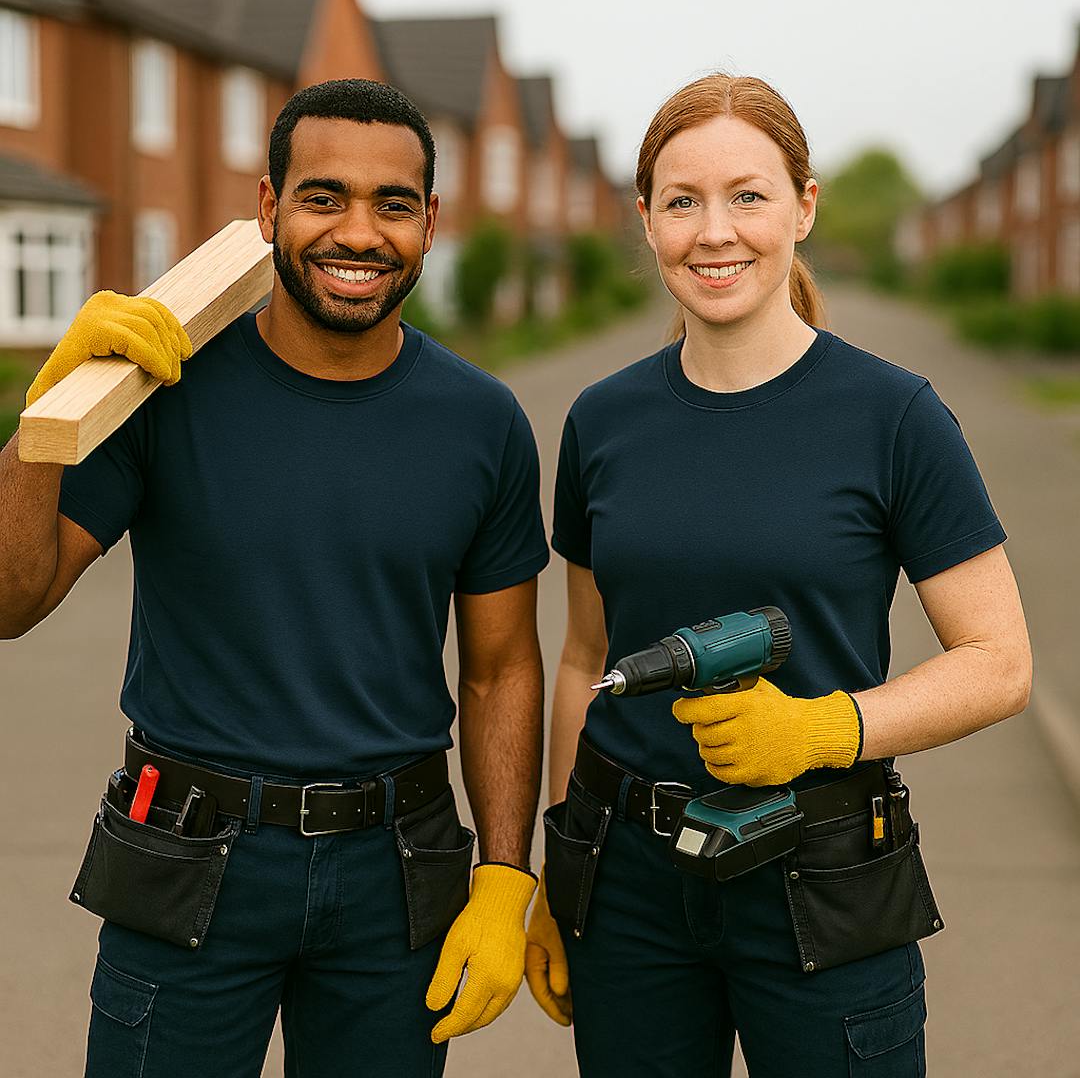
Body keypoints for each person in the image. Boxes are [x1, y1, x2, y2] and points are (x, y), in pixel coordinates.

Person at [0, 79, 549, 1077]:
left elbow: (502, 668)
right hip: (187, 858)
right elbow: (9, 602)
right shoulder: (162, 393)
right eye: (323, 196)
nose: (358, 231)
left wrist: (508, 875)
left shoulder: (485, 424)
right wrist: (45, 417)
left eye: (393, 204)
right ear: (267, 208)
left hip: (398, 869)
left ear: (430, 224)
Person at [523, 74, 1031, 1077]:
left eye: (747, 196)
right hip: (627, 888)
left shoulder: (895, 418)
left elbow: (999, 662)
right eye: (683, 201)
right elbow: (587, 653)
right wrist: (560, 868)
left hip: (824, 874)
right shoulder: (601, 422)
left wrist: (820, 726)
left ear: (803, 206)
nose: (715, 232)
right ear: (647, 220)